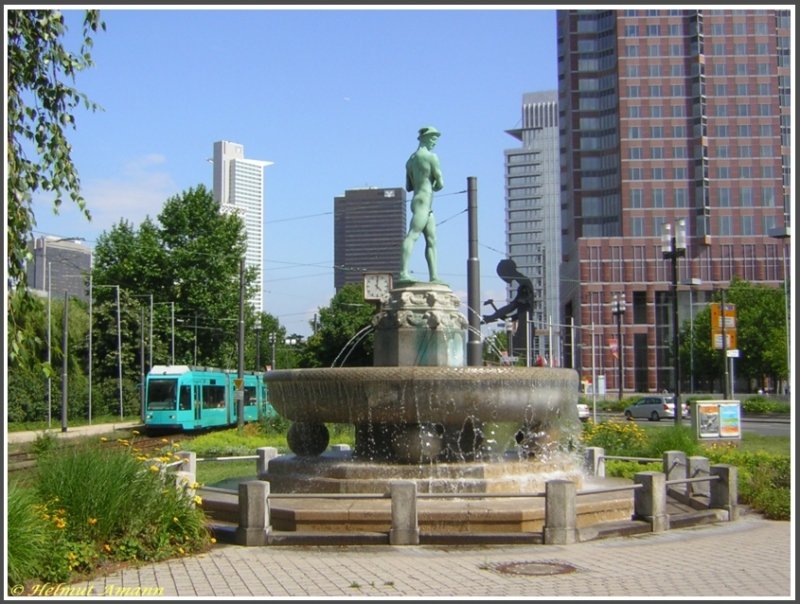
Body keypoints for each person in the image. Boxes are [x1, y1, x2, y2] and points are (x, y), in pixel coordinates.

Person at [399, 126, 445, 283]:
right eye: (432, 138)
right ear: (424, 138)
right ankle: (403, 272)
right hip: (425, 201)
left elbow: (409, 186)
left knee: (432, 240)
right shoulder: (431, 157)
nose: (434, 142)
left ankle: (434, 276)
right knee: (413, 235)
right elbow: (440, 183)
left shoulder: (410, 161)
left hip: (418, 201)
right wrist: (430, 182)